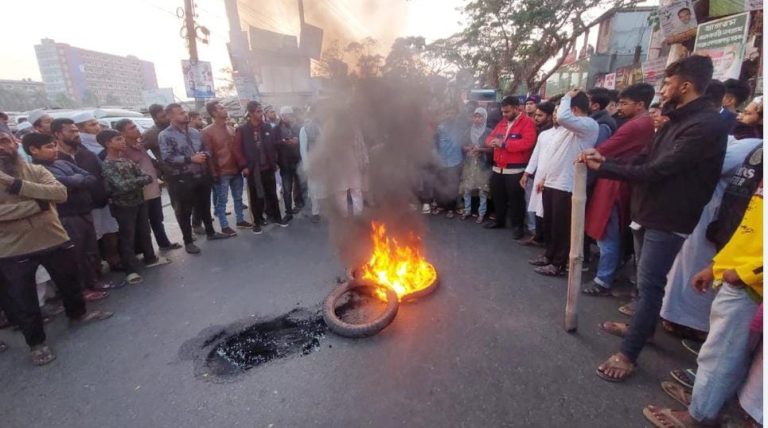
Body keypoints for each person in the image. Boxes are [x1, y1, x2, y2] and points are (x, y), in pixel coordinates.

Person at [581, 55, 728, 382]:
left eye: (668, 83)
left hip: (669, 215)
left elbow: (659, 170)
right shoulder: (675, 120)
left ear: (685, 86)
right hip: (647, 210)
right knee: (644, 283)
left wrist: (604, 167)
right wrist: (605, 156)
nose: (663, 89)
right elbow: (646, 156)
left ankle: (629, 354)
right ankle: (640, 328)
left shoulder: (706, 125)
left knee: (650, 286)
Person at [642, 181, 762, 427]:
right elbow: (748, 231)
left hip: (748, 283)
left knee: (720, 354)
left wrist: (745, 274)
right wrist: (716, 267)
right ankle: (708, 403)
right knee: (728, 352)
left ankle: (699, 415)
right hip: (737, 274)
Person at [0, 132, 112, 366]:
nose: (2, 148)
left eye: (5, 142)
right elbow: (43, 200)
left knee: (70, 282)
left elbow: (59, 193)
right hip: (14, 248)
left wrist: (15, 184)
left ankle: (78, 315)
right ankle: (36, 344)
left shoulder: (37, 171)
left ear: (14, 144)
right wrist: (38, 204)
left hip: (53, 238)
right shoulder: (38, 176)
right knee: (24, 299)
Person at [25, 131, 121, 297]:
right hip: (67, 215)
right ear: (34, 150)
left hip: (84, 210)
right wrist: (76, 180)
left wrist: (76, 181)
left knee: (90, 251)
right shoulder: (37, 171)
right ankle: (83, 289)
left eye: (54, 145)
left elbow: (89, 177)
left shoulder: (62, 163)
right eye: (49, 147)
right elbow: (64, 184)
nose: (54, 149)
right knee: (77, 254)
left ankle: (94, 282)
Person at [581, 83, 656, 296]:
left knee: (607, 232)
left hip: (615, 183)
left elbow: (604, 148)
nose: (620, 107)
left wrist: (588, 155)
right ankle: (610, 272)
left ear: (640, 104)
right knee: (612, 232)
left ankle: (603, 279)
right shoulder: (642, 123)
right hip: (619, 180)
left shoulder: (636, 125)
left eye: (624, 103)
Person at [529, 89, 598, 276]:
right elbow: (554, 155)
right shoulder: (564, 130)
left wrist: (567, 96)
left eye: (559, 108)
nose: (556, 113)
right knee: (551, 224)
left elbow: (564, 117)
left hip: (567, 185)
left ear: (574, 108)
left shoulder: (589, 125)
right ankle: (549, 256)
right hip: (552, 182)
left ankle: (558, 264)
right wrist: (544, 177)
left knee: (562, 227)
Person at [53, 118, 119, 295]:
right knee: (79, 249)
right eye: (70, 131)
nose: (75, 134)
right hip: (71, 211)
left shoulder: (86, 153)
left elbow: (95, 176)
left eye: (76, 131)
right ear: (58, 134)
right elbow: (64, 184)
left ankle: (98, 277)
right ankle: (86, 285)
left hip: (97, 203)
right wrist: (78, 181)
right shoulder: (56, 158)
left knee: (98, 242)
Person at [99, 130, 169, 285]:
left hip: (139, 201)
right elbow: (122, 185)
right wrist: (138, 180)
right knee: (127, 238)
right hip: (123, 206)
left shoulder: (125, 161)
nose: (123, 141)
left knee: (144, 231)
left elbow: (148, 177)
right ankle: (130, 270)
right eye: (118, 139)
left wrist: (136, 180)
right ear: (108, 144)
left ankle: (150, 258)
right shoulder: (108, 164)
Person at [159, 103, 229, 254]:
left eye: (184, 112)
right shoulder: (166, 135)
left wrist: (204, 155)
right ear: (170, 116)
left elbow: (207, 149)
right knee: (185, 211)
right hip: (183, 179)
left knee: (204, 206)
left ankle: (211, 232)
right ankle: (188, 242)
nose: (184, 115)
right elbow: (167, 158)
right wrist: (190, 159)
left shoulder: (195, 132)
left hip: (202, 175)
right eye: (180, 113)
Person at [114, 119, 181, 251]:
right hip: (140, 193)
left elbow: (150, 162)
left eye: (135, 126)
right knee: (143, 225)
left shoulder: (140, 146)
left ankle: (164, 243)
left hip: (153, 189)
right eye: (132, 128)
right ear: (122, 133)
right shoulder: (124, 151)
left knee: (157, 219)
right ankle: (148, 252)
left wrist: (160, 172)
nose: (136, 129)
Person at [484, 96, 537, 238]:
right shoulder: (502, 122)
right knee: (498, 197)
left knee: (516, 201)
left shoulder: (528, 123)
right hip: (498, 168)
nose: (504, 115)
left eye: (507, 112)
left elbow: (528, 142)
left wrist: (505, 145)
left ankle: (518, 227)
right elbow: (489, 138)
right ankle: (499, 221)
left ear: (516, 108)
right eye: (502, 112)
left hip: (515, 170)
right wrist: (492, 143)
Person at [233, 101, 287, 233]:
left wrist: (275, 160)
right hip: (253, 168)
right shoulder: (243, 129)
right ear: (250, 113)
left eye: (261, 110)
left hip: (268, 166)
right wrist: (243, 166)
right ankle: (256, 222)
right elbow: (236, 149)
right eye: (258, 111)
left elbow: (273, 144)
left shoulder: (267, 127)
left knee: (272, 193)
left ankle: (276, 217)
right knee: (256, 196)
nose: (261, 113)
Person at [203, 101, 252, 236]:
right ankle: (224, 226)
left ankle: (240, 220)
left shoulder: (231, 128)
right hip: (221, 172)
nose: (225, 110)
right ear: (214, 113)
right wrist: (213, 173)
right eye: (221, 108)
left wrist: (242, 166)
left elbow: (238, 149)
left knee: (238, 197)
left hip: (236, 169)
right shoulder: (207, 132)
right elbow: (209, 154)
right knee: (222, 201)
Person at [521, 98, 562, 247]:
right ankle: (539, 237)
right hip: (539, 176)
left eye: (540, 115)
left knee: (548, 213)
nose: (536, 118)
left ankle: (549, 245)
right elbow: (536, 155)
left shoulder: (565, 134)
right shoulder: (544, 134)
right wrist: (527, 173)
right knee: (538, 209)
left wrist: (545, 178)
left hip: (553, 180)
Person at [459, 107, 492, 223]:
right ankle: (467, 210)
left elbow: (493, 149)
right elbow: (462, 146)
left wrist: (481, 149)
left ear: (485, 118)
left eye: (480, 116)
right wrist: (468, 148)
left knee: (482, 190)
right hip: (469, 163)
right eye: (475, 116)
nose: (477, 119)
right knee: (467, 188)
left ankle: (481, 213)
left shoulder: (489, 131)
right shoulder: (468, 130)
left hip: (483, 165)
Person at [432, 106, 465, 219]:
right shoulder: (440, 128)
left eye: (452, 113)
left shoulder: (459, 127)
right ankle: (442, 206)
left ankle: (451, 209)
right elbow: (435, 144)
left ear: (455, 114)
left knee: (452, 185)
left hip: (455, 160)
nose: (449, 115)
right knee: (441, 184)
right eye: (447, 113)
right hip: (442, 160)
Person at [277, 106, 303, 220]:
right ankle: (288, 212)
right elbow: (274, 143)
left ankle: (299, 204)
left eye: (290, 114)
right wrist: (285, 142)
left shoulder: (298, 127)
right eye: (287, 114)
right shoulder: (277, 129)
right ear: (282, 116)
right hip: (285, 163)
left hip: (297, 161)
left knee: (299, 185)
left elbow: (302, 140)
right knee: (287, 189)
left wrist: (297, 140)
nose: (289, 117)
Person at [299, 104, 324, 223]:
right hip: (312, 163)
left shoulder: (323, 127)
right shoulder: (304, 129)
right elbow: (303, 149)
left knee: (325, 188)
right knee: (313, 189)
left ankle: (328, 210)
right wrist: (307, 166)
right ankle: (315, 212)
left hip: (323, 163)